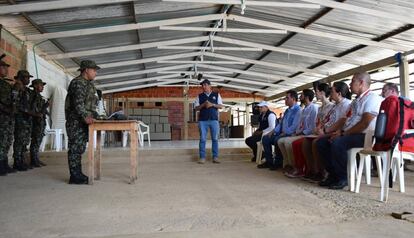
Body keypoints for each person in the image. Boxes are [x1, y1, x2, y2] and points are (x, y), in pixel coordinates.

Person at [316, 72, 382, 189]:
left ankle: (343, 177)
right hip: (349, 134)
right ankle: (333, 175)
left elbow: (365, 123)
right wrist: (337, 131)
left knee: (338, 143)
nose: (350, 85)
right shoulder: (355, 101)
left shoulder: (372, 98)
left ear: (361, 83)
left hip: (365, 136)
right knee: (321, 142)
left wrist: (343, 133)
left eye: (352, 81)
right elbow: (345, 119)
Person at [301, 82, 351, 182]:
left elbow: (343, 122)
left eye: (332, 91)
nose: (330, 93)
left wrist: (324, 131)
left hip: (337, 132)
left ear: (339, 93)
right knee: (306, 141)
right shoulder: (335, 105)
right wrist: (320, 128)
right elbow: (326, 119)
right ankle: (314, 170)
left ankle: (324, 172)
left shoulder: (346, 104)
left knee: (317, 142)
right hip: (328, 131)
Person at [65, 60, 100, 184]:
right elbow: (78, 103)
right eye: (94, 70)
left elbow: (90, 105)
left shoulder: (89, 84)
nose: (96, 72)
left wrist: (97, 116)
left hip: (83, 121)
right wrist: (85, 116)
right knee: (75, 148)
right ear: (86, 70)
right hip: (76, 120)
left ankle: (77, 173)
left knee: (79, 148)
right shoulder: (78, 83)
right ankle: (74, 176)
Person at [278, 89, 319, 177]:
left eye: (302, 95)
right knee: (281, 141)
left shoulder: (314, 108)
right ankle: (289, 165)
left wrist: (302, 133)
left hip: (308, 134)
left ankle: (297, 167)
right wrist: (297, 132)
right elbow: (300, 125)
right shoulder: (304, 109)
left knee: (288, 142)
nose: (300, 97)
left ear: (307, 97)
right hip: (301, 133)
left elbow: (312, 126)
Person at [259, 90, 301, 170]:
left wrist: (285, 133)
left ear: (293, 99)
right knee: (265, 138)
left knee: (277, 140)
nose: (285, 100)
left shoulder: (298, 110)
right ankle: (269, 162)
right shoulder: (287, 110)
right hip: (281, 133)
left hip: (290, 134)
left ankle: (278, 162)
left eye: (287, 98)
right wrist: (273, 131)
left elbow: (295, 126)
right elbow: (280, 124)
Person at [194, 79, 224, 164]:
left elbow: (221, 106)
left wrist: (212, 104)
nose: (204, 87)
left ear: (210, 86)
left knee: (215, 139)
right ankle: (202, 157)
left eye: (205, 85)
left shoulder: (216, 95)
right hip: (203, 121)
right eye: (202, 85)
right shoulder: (199, 96)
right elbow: (196, 108)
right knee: (202, 139)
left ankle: (215, 157)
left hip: (214, 120)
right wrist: (203, 104)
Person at [0, 55, 18, 175]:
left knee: (7, 141)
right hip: (2, 116)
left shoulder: (6, 84)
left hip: (8, 117)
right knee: (1, 141)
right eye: (4, 67)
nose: (6, 70)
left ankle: (4, 163)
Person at [13, 70, 34, 171]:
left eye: (29, 77)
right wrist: (27, 111)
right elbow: (15, 103)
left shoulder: (26, 90)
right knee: (19, 140)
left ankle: (21, 160)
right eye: (26, 77)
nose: (28, 79)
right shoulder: (17, 87)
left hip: (26, 118)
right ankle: (17, 162)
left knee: (24, 140)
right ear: (21, 77)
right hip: (20, 117)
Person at [29, 79, 49, 167]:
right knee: (35, 141)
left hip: (41, 121)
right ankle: (34, 160)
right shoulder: (33, 96)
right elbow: (34, 110)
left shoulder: (39, 96)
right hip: (36, 121)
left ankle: (36, 159)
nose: (43, 87)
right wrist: (45, 106)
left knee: (38, 140)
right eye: (41, 85)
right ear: (36, 86)